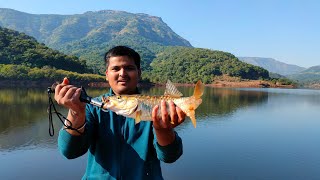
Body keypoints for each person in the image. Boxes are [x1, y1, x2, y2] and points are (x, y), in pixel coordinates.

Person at [54, 45, 185, 179]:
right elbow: (70, 151)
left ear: (139, 73)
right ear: (106, 74)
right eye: (115, 68)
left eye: (129, 68)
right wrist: (76, 112)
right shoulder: (92, 107)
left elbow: (170, 156)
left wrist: (164, 130)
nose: (122, 73)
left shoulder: (154, 107)